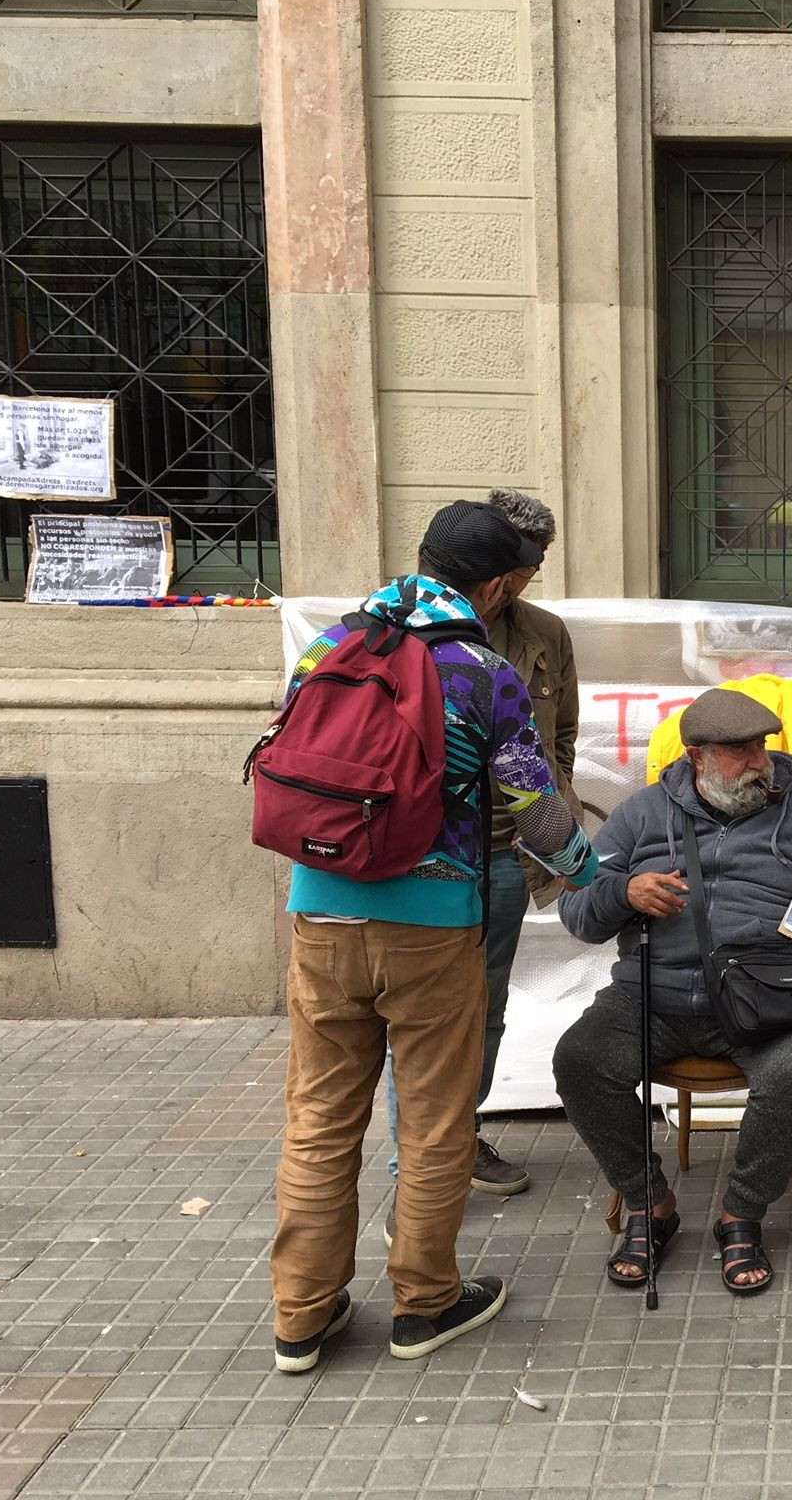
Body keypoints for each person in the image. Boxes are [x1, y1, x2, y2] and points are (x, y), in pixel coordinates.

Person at [268, 501, 596, 1372]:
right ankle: (424, 1300)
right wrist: (593, 874)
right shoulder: (482, 673)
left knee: (319, 1119)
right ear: (493, 584)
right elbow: (536, 805)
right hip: (431, 927)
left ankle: (301, 1315)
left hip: (321, 915)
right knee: (437, 1118)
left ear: (420, 558)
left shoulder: (327, 647)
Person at [551, 689, 792, 1295]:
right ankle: (650, 1204)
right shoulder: (640, 815)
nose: (758, 762)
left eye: (762, 747)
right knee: (581, 1060)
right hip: (654, 994)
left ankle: (741, 1212)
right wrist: (624, 893)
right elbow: (578, 912)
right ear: (696, 757)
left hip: (768, 997)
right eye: (738, 751)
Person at [382, 487, 578, 1205]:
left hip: (494, 861)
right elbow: (538, 797)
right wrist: (579, 863)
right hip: (420, 862)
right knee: (427, 1022)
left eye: (536, 565)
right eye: (517, 564)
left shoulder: (348, 634)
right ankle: (421, 1174)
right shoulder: (436, 649)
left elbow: (555, 746)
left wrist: (546, 844)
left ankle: (450, 1139)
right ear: (492, 569)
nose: (523, 579)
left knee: (478, 1013)